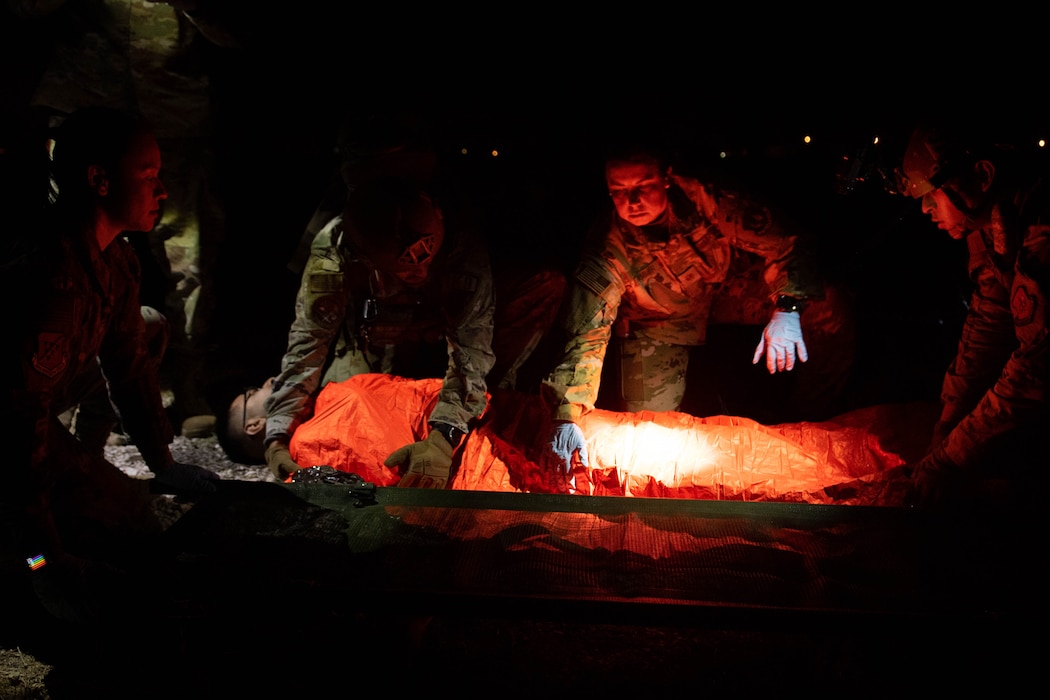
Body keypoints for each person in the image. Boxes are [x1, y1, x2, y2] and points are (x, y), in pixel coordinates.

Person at [219, 140, 565, 488]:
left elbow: (471, 349)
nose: (418, 274)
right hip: (378, 338)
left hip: (449, 332)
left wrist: (443, 438)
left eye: (425, 265)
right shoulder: (335, 249)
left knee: (473, 399)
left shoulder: (462, 245)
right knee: (346, 410)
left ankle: (487, 417)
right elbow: (309, 341)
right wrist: (277, 435)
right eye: (405, 271)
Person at [0, 106, 221, 620]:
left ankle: (84, 462)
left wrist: (162, 464)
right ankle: (22, 568)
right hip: (8, 433)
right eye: (148, 177)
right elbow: (18, 440)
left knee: (147, 327)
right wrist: (46, 564)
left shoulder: (115, 256)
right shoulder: (49, 281)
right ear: (99, 180)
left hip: (28, 411)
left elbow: (129, 362)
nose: (161, 190)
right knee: (102, 529)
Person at [539, 142, 856, 490]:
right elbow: (586, 334)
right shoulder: (607, 249)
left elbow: (788, 240)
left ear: (666, 178)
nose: (632, 201)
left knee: (827, 306)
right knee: (648, 435)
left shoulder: (707, 198)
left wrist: (788, 307)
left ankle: (814, 421)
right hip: (660, 319)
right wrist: (565, 414)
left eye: (642, 186)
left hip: (727, 289)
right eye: (619, 191)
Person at [7, 0, 244, 439]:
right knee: (70, 255)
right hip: (84, 114)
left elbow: (235, 30)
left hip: (171, 115)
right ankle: (66, 393)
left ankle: (186, 387)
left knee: (189, 260)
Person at [895, 119, 1049, 509]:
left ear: (982, 175)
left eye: (932, 193)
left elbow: (1039, 365)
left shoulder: (1041, 227)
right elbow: (990, 317)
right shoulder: (992, 221)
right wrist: (949, 421)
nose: (926, 209)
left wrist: (951, 458)